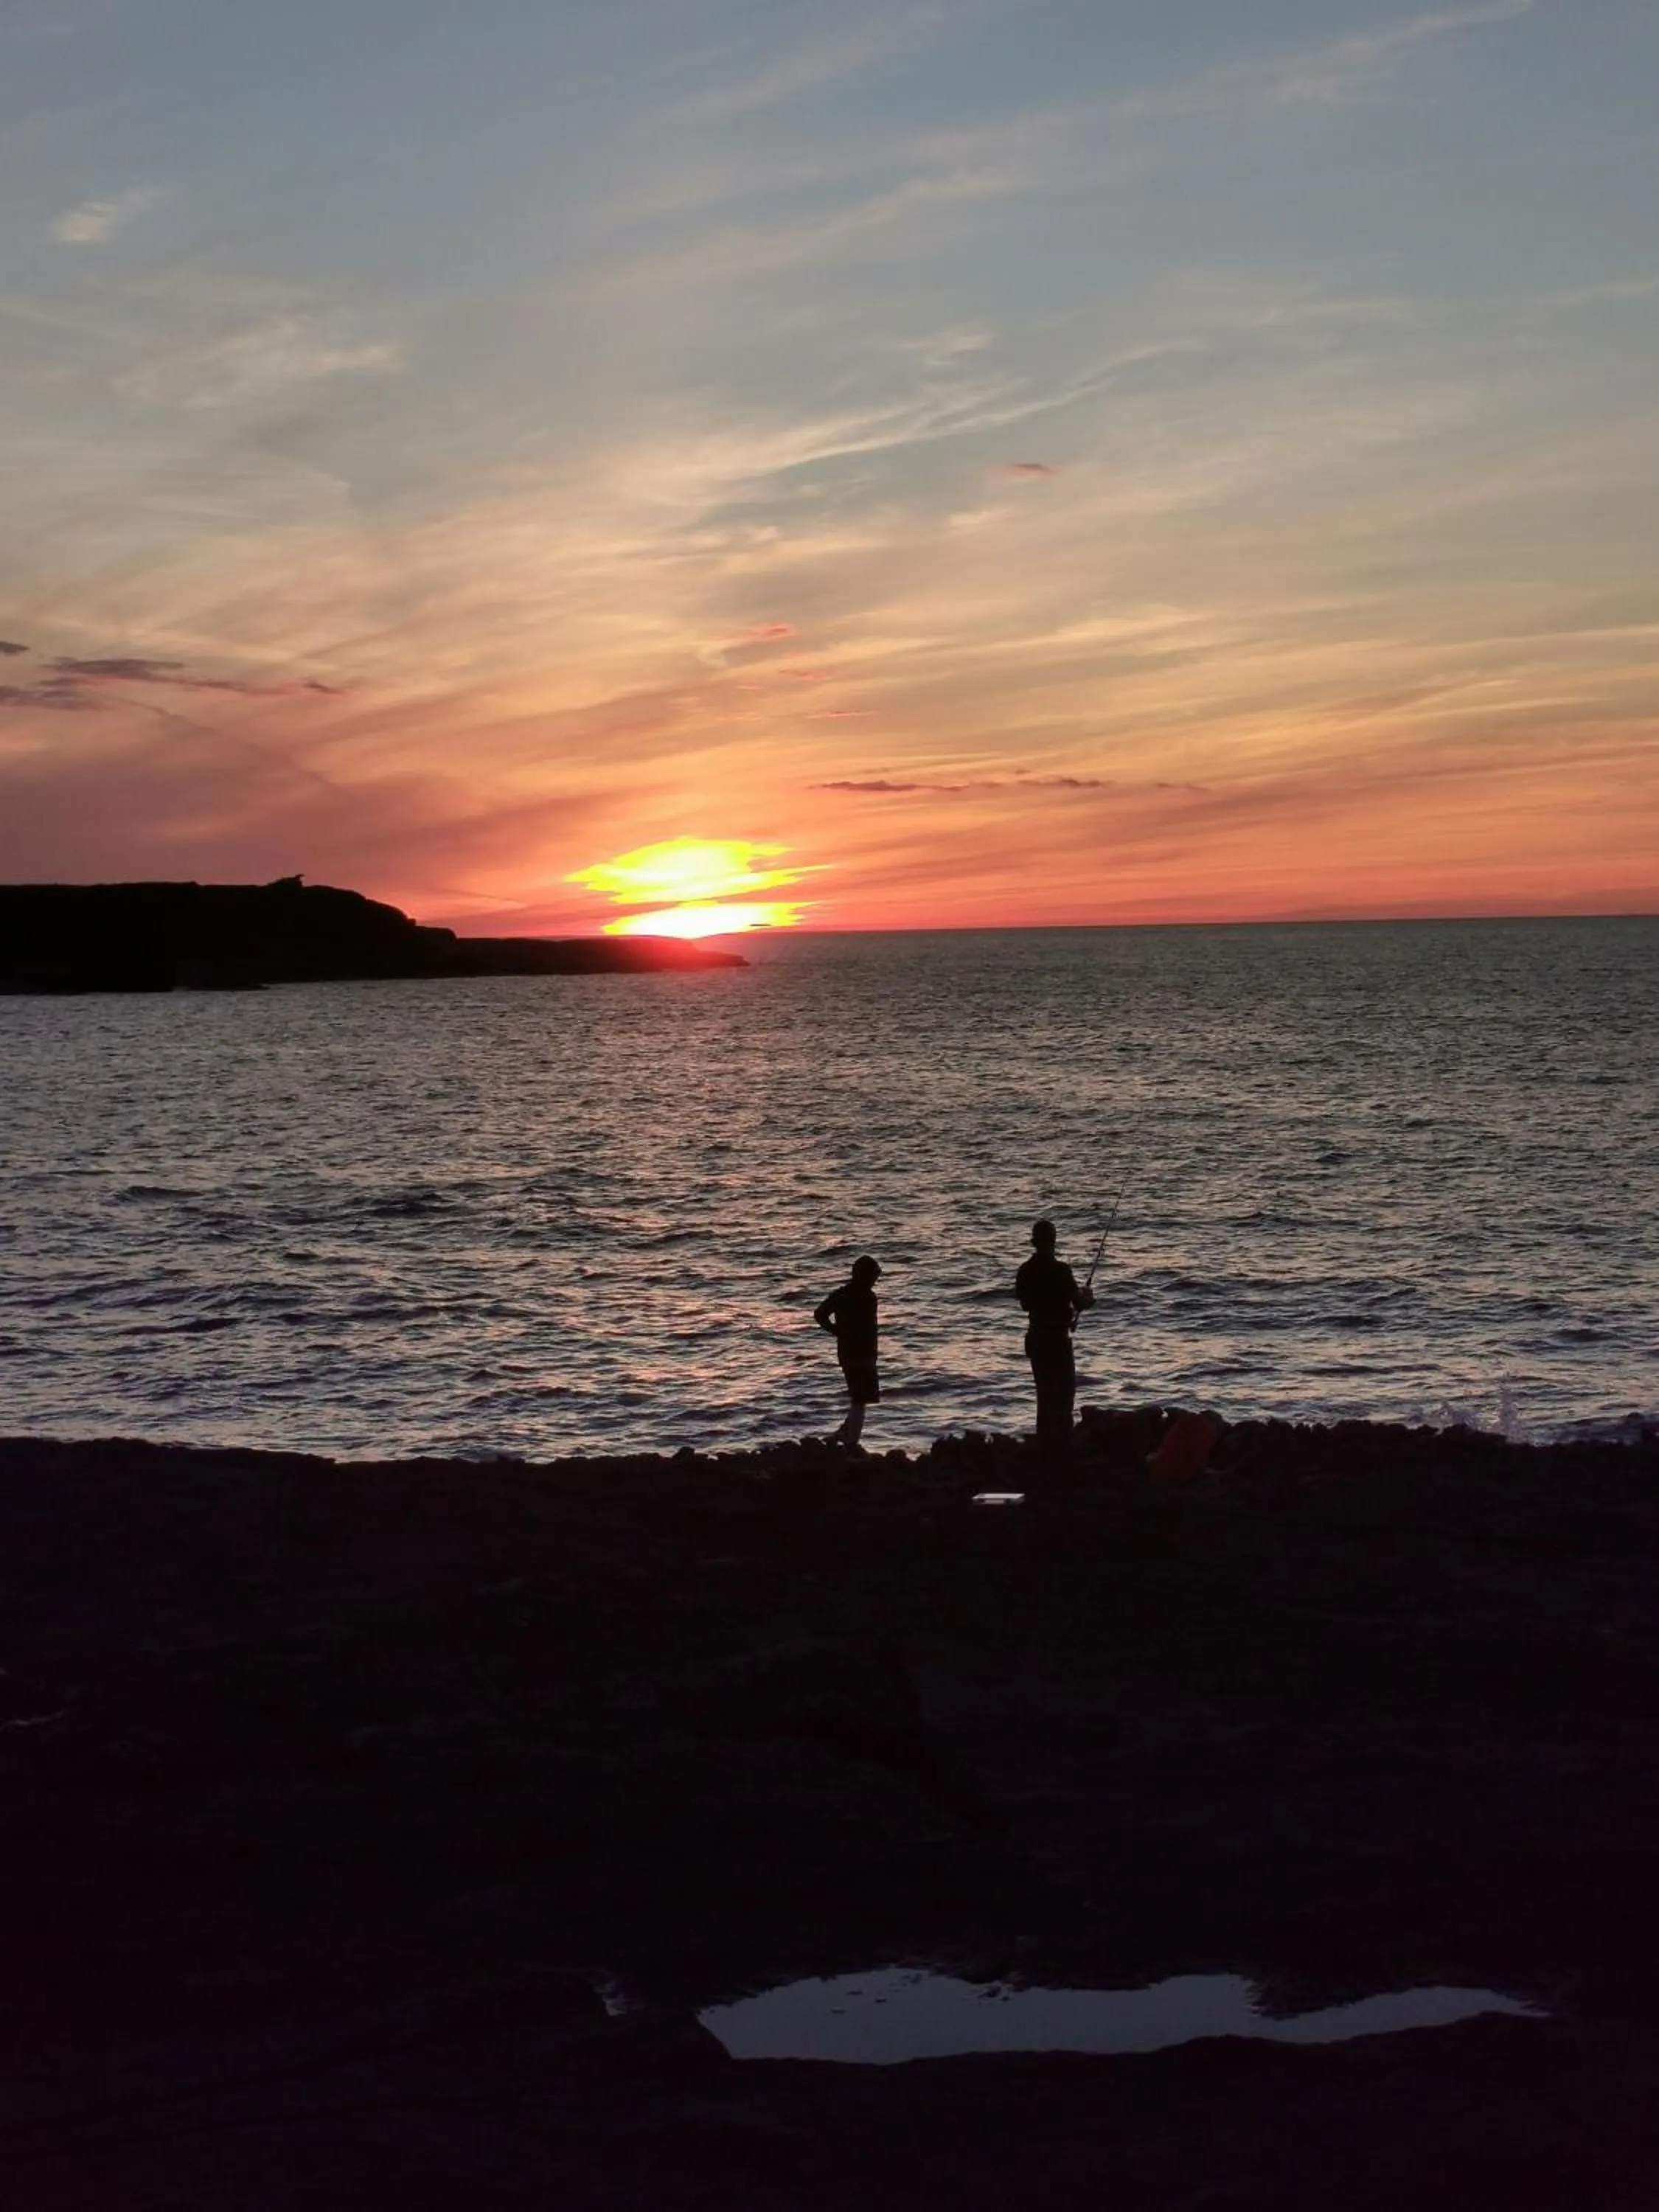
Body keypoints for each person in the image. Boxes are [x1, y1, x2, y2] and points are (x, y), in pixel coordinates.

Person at [1015, 1219, 1093, 1450]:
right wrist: (1087, 1297)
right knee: (1064, 1394)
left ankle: (1045, 1445)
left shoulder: (1025, 1271)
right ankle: (1062, 1446)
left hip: (1036, 1338)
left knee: (1044, 1397)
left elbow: (1024, 1304)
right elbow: (1079, 1302)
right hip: (1057, 1340)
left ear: (1034, 1242)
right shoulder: (1061, 1270)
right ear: (1054, 1241)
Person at [814, 1255, 882, 1450]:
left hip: (847, 1352)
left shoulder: (842, 1294)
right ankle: (851, 1440)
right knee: (861, 1398)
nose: (874, 1281)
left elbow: (820, 1314)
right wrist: (838, 1331)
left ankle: (845, 1432)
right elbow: (869, 1328)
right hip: (863, 1353)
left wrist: (837, 1331)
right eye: (873, 1277)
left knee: (858, 1396)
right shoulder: (868, 1297)